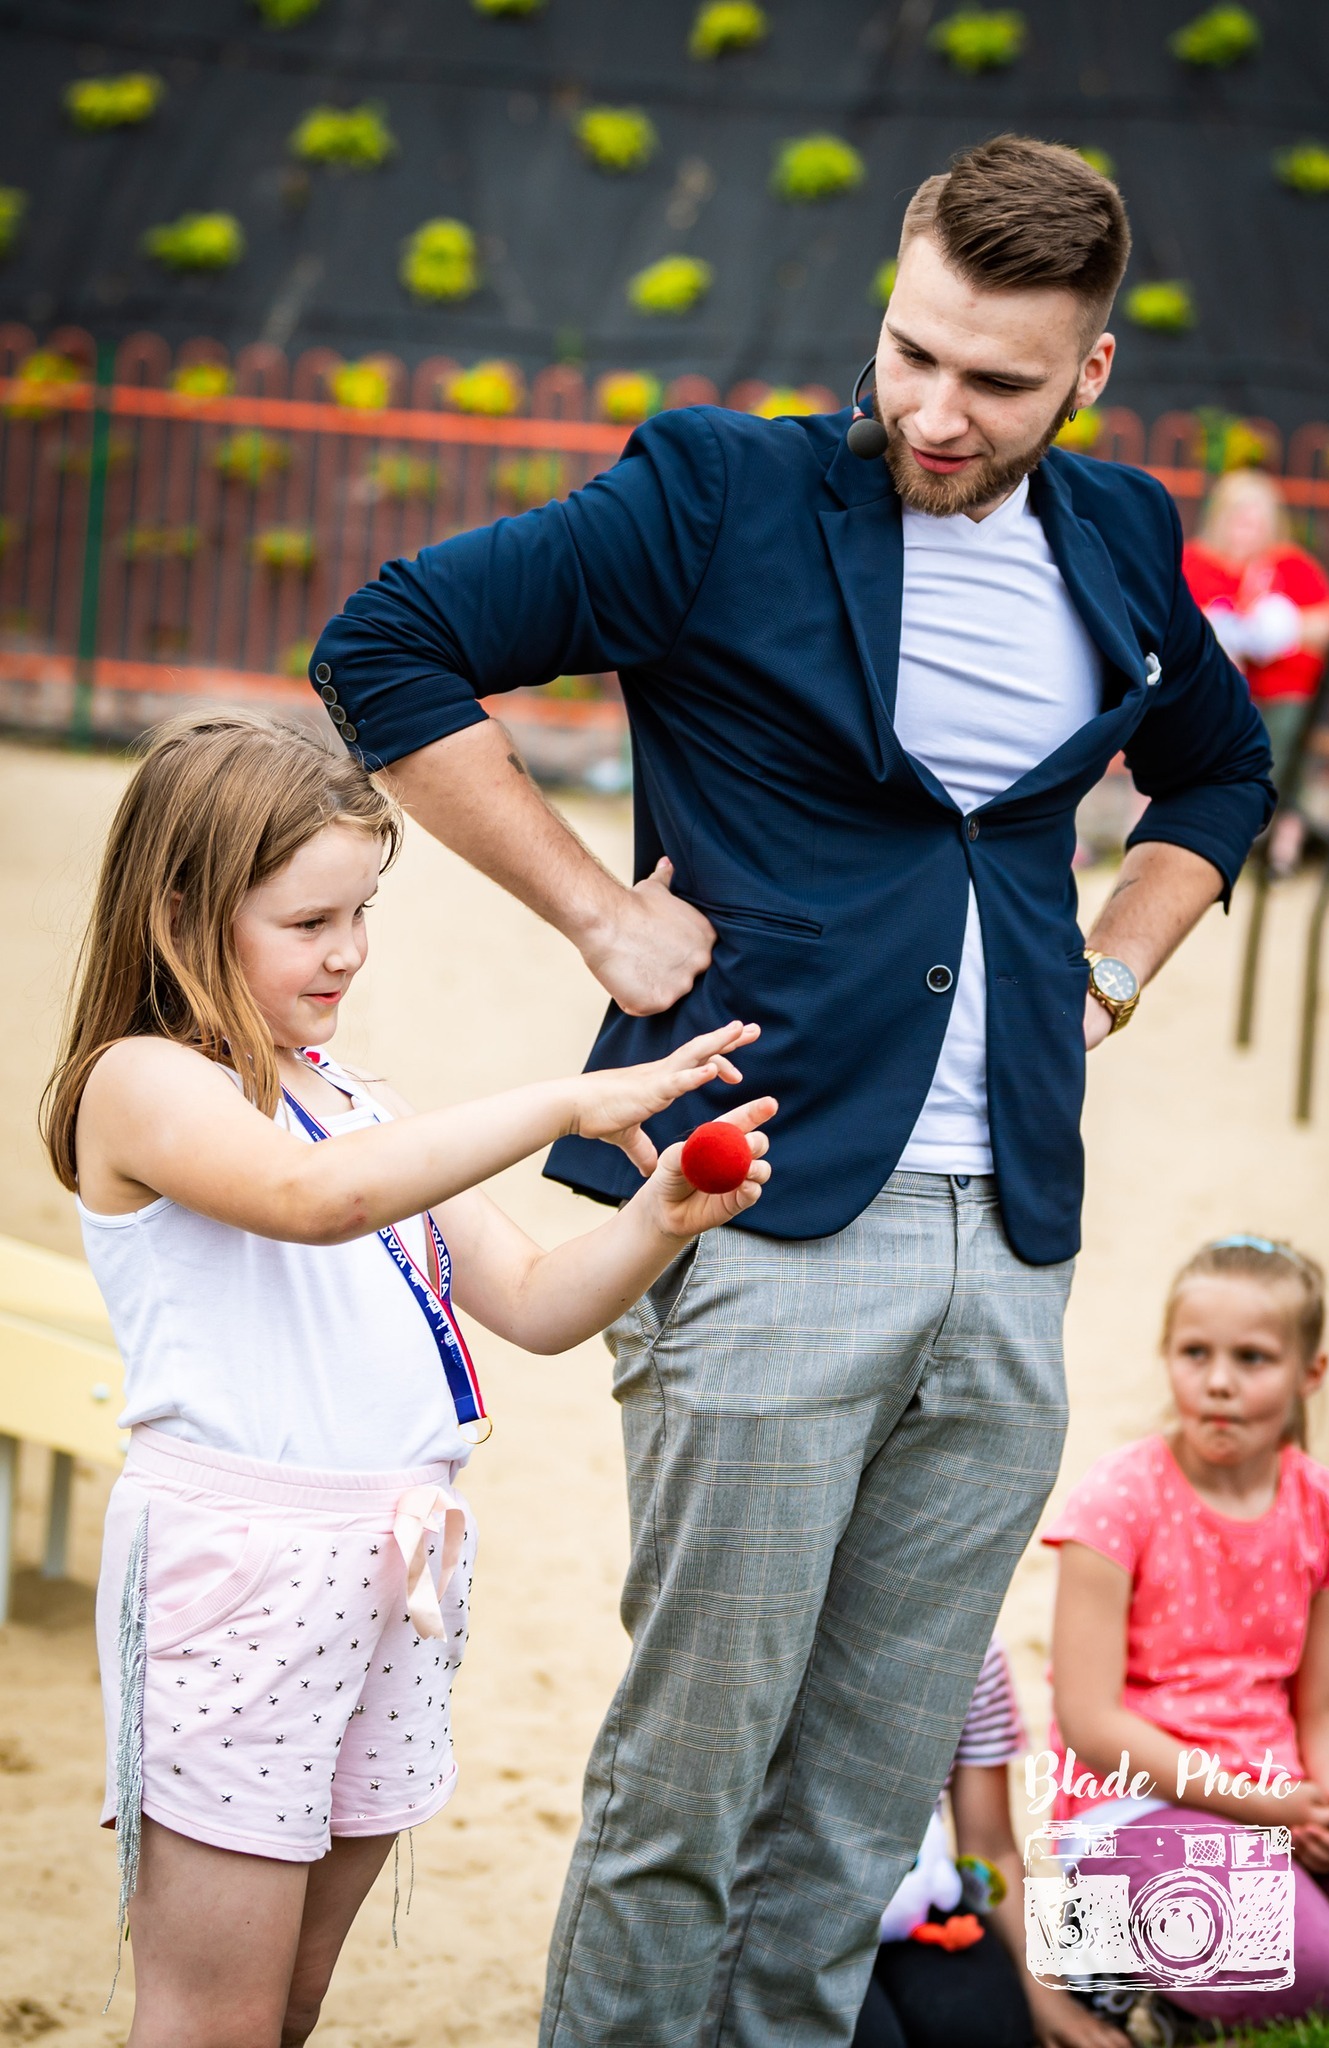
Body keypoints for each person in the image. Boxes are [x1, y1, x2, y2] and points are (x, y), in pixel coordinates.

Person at [309, 134, 1275, 2047]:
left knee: (851, 1816)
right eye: (908, 351)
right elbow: (388, 643)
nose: (929, 406)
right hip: (755, 1212)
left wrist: (1112, 960)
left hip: (1007, 1241)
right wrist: (593, 910)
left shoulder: (1122, 539)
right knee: (688, 1790)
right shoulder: (718, 488)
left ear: (1086, 376)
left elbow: (1218, 772)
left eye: (994, 379)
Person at [40, 711, 773, 2047]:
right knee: (212, 2016)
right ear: (179, 911)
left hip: (394, 1567)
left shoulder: (355, 1105)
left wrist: (653, 1218)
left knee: (294, 2002)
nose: (348, 953)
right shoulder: (141, 1083)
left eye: (362, 912)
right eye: (309, 920)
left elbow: (539, 1304)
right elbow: (312, 1202)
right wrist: (562, 1102)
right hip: (240, 1569)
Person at [1043, 1235, 1329, 2030]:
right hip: (1125, 1806)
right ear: (1167, 1356)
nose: (1217, 1382)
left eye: (1252, 1359)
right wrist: (1267, 1806)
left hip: (1279, 1797)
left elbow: (1325, 1707)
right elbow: (1089, 1727)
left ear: (1308, 1373)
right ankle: (1102, 1953)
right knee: (1307, 1972)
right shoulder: (1117, 1501)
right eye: (1194, 1353)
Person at [854, 1637, 1125, 2048]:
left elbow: (990, 1848)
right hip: (788, 1917)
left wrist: (1047, 1991)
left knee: (985, 2028)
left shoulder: (972, 1645)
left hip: (916, 1909)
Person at [1182, 469, 1329, 872]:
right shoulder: (1196, 562)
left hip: (1287, 690)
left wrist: (1287, 627)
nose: (1247, 530)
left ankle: (1281, 846)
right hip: (1222, 692)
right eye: (1240, 518)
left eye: (1257, 521)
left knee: (1285, 738)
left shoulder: (1290, 565)